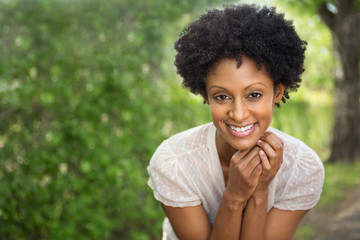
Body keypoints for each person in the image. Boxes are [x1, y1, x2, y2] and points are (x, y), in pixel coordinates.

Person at [147, 4, 325, 240]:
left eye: (254, 95)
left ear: (278, 92)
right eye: (222, 96)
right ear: (205, 96)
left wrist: (259, 192)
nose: (239, 114)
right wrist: (234, 196)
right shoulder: (175, 163)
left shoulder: (302, 169)